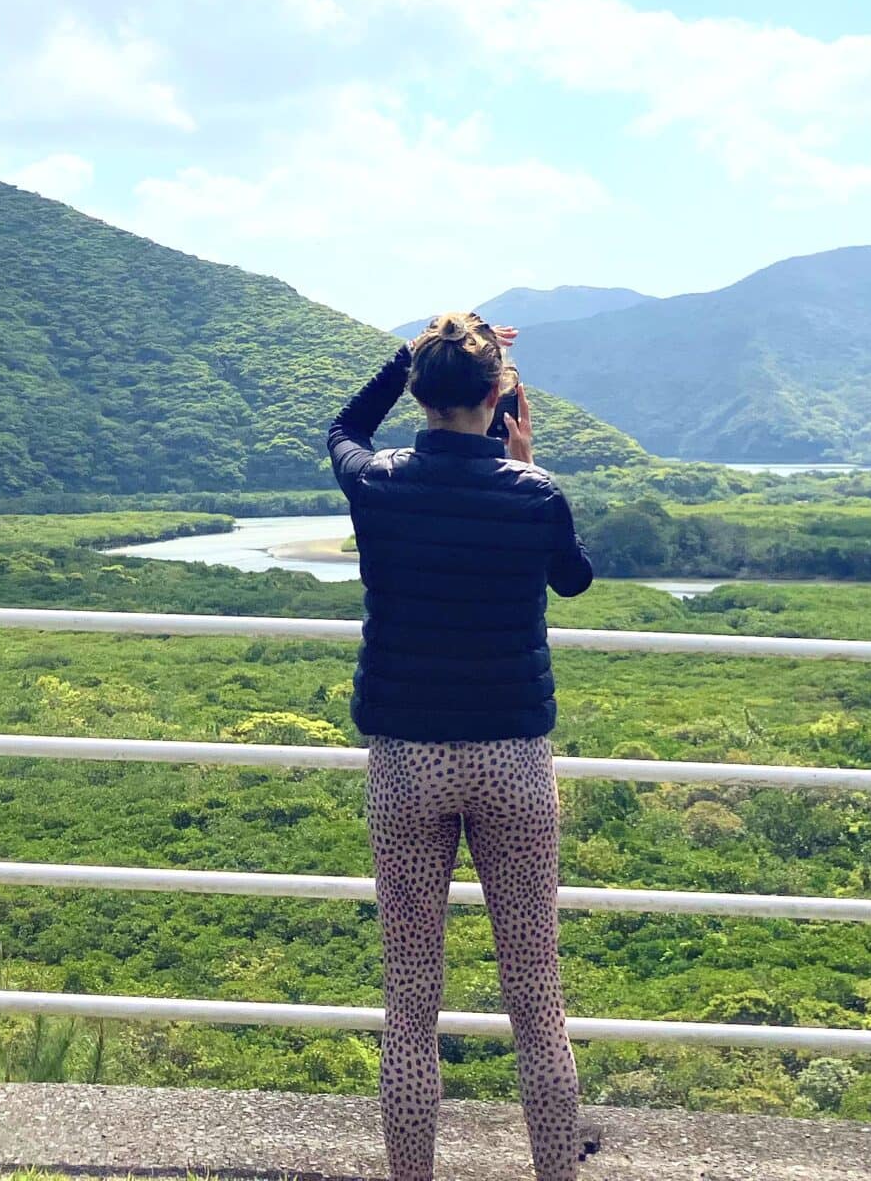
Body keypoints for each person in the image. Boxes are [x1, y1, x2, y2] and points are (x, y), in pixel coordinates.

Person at [327, 311, 594, 1181]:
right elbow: (573, 578)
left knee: (410, 1006)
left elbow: (343, 429)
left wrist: (408, 354)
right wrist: (520, 465)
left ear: (420, 392)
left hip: (409, 761)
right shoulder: (536, 491)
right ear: (498, 396)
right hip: (513, 758)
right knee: (537, 1001)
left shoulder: (380, 485)